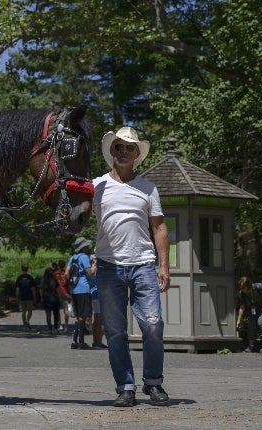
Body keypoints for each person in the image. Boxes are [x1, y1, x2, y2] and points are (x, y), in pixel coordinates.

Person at [93, 126, 171, 407]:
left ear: (137, 154)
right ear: (111, 152)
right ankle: (125, 386)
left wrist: (164, 265)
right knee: (114, 331)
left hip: (143, 266)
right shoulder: (97, 185)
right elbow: (73, 212)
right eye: (118, 147)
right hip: (108, 267)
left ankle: (153, 383)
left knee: (153, 325)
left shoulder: (148, 188)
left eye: (129, 148)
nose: (123, 152)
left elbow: (159, 227)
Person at [66, 237, 95, 350]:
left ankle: (74, 341)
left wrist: (72, 283)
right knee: (83, 316)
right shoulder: (84, 257)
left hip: (74, 290)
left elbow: (66, 273)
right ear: (84, 247)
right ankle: (81, 342)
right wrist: (94, 266)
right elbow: (89, 273)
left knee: (78, 316)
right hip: (84, 289)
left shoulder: (73, 258)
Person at [235, 277, 262, 353]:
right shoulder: (241, 293)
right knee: (251, 324)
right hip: (253, 311)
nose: (241, 289)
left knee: (261, 322)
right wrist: (238, 320)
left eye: (243, 287)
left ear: (248, 285)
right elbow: (242, 307)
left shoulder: (258, 287)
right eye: (240, 288)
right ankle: (251, 346)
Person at [89, 254, 107, 349]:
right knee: (101, 320)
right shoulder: (99, 270)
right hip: (99, 295)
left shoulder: (91, 270)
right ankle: (98, 342)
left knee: (95, 319)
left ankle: (95, 341)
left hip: (92, 294)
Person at [40, 265, 61, 334]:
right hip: (55, 298)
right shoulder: (54, 280)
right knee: (56, 314)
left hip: (46, 298)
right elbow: (58, 290)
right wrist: (59, 297)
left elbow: (41, 290)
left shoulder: (43, 280)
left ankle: (50, 328)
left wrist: (41, 298)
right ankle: (55, 328)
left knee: (48, 314)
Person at [15, 265, 36, 330]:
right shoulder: (30, 277)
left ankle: (25, 325)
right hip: (29, 296)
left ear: (22, 269)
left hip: (22, 296)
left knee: (23, 311)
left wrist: (16, 297)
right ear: (27, 269)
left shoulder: (19, 278)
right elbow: (33, 289)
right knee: (30, 311)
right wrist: (34, 297)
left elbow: (17, 289)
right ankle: (27, 320)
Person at [54, 260, 71, 331]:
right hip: (66, 292)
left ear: (58, 265)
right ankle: (66, 326)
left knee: (57, 310)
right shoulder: (66, 273)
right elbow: (69, 283)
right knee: (66, 310)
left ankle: (60, 325)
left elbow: (54, 283)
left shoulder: (55, 273)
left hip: (57, 292)